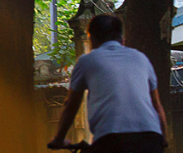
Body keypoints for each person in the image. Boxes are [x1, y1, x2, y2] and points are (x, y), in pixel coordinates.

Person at [49, 14, 169, 153]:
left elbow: (71, 105)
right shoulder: (141, 58)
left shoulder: (87, 60)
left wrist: (59, 139)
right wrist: (164, 139)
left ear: (91, 40)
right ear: (122, 39)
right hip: (151, 139)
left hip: (111, 141)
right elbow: (157, 105)